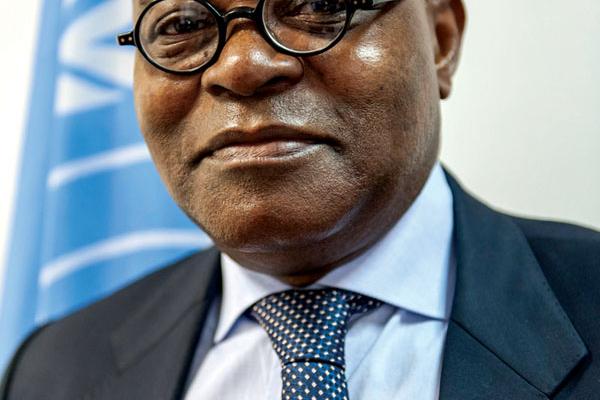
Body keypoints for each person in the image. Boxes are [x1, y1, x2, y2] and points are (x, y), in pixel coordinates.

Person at [2, 0, 599, 398]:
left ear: (442, 39)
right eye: (182, 25)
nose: (241, 65)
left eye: (319, 5)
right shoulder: (53, 372)